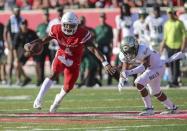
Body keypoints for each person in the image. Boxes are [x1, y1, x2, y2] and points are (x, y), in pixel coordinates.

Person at [25, 12, 116, 113]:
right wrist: (30, 44)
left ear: (76, 25)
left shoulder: (82, 33)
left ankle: (57, 100)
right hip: (62, 55)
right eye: (66, 25)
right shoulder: (56, 29)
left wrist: (105, 63)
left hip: (74, 61)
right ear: (62, 23)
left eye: (71, 25)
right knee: (53, 73)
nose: (68, 28)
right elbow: (43, 40)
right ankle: (39, 98)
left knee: (68, 87)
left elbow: (93, 49)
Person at [118, 36, 178, 116]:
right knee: (155, 91)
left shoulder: (143, 50)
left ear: (135, 47)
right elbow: (124, 68)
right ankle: (172, 108)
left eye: (130, 51)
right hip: (151, 69)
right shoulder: (123, 55)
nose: (128, 54)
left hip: (158, 67)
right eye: (126, 52)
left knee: (139, 82)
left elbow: (143, 67)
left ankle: (149, 109)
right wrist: (121, 80)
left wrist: (129, 72)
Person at [160, 7, 187, 87]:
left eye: (171, 13)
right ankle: (173, 80)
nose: (170, 14)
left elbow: (184, 35)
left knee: (176, 63)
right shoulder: (166, 24)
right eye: (168, 13)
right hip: (169, 46)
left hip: (178, 46)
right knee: (171, 63)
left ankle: (175, 81)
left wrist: (183, 46)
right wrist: (162, 47)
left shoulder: (179, 22)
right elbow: (165, 37)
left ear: (173, 13)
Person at [4, 7, 24, 85]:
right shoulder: (10, 20)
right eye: (16, 11)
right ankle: (9, 79)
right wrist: (6, 42)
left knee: (17, 63)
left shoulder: (22, 19)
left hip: (19, 44)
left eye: (18, 11)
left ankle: (18, 79)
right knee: (10, 63)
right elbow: (5, 32)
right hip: (11, 43)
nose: (17, 13)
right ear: (13, 12)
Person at [14, 19, 38, 86]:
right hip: (22, 51)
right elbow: (15, 47)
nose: (24, 26)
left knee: (37, 63)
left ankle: (39, 80)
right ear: (20, 26)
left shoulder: (32, 33)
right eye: (22, 24)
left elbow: (37, 43)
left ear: (27, 25)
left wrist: (31, 51)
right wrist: (16, 58)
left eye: (25, 24)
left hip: (33, 51)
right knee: (17, 65)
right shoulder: (18, 34)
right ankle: (24, 78)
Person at [95, 12, 113, 85]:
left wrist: (111, 49)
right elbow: (95, 39)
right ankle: (100, 81)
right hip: (99, 47)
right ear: (99, 19)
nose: (102, 19)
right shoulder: (97, 28)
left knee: (108, 63)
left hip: (106, 46)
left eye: (103, 17)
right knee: (99, 63)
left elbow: (111, 39)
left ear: (105, 18)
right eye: (101, 17)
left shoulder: (109, 28)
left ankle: (109, 80)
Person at [35, 9, 51, 86]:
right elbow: (37, 35)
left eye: (47, 15)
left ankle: (54, 79)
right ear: (43, 16)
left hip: (50, 46)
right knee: (40, 63)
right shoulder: (40, 26)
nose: (46, 16)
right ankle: (40, 79)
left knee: (53, 62)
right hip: (42, 46)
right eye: (45, 15)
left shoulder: (52, 24)